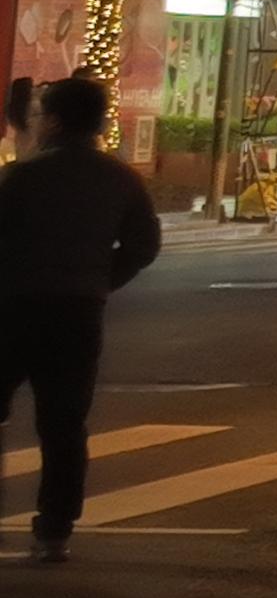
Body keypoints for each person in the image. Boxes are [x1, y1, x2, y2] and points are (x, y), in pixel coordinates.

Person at [0, 75, 166, 561]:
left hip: (13, 309)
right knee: (64, 423)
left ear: (52, 120)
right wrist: (99, 280)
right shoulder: (119, 178)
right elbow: (144, 244)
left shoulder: (23, 177)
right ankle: (54, 530)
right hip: (78, 312)